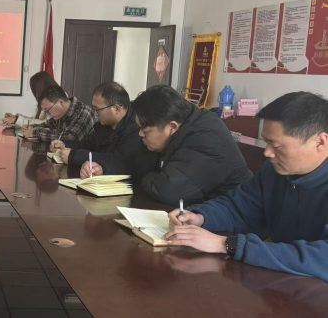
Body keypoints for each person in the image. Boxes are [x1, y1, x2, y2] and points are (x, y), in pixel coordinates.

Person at [165, 92, 328, 283]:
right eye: (266, 142)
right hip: (287, 281)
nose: (267, 153)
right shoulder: (275, 171)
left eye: (276, 146)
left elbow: (322, 258)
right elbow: (239, 207)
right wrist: (200, 216)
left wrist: (227, 244)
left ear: (320, 142)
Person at [132, 85, 251, 205]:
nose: (140, 134)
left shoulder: (206, 137)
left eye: (145, 131)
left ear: (172, 127)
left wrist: (146, 177)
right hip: (205, 209)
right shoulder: (187, 124)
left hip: (236, 210)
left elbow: (169, 191)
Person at [51, 82, 156, 179]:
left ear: (116, 109)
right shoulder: (105, 125)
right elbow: (89, 144)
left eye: (97, 109)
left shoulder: (136, 129)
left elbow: (118, 161)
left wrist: (73, 156)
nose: (95, 112)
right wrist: (65, 144)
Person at [22, 85, 97, 144]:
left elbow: (70, 138)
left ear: (60, 102)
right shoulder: (61, 114)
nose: (47, 114)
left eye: (47, 110)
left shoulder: (84, 112)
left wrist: (35, 132)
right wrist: (31, 127)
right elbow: (47, 124)